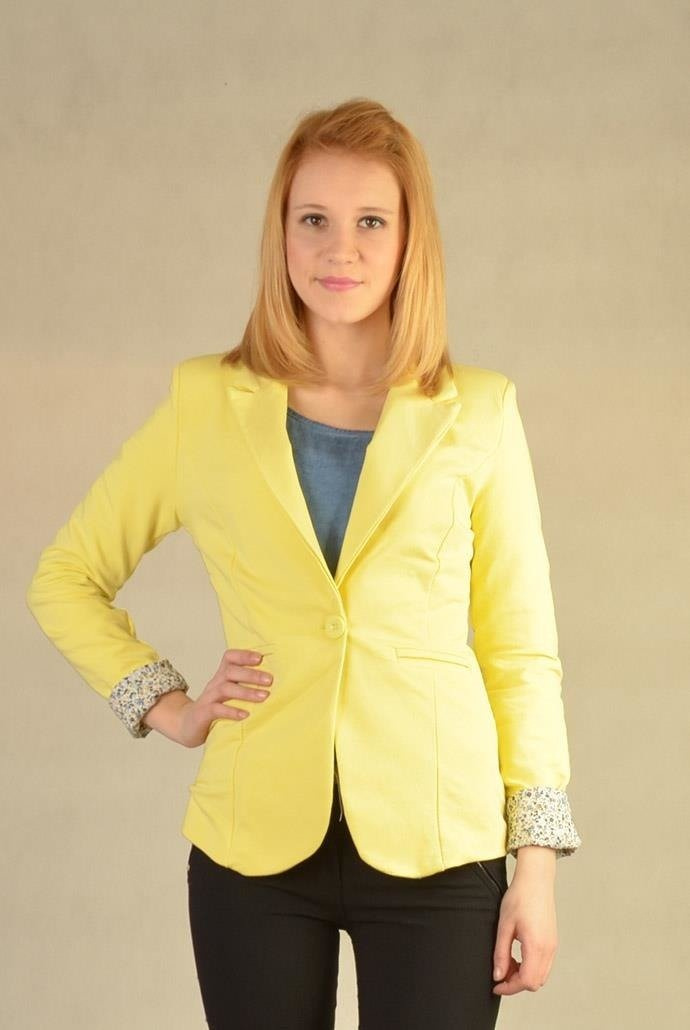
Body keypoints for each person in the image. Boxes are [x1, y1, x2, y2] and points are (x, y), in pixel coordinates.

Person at [26, 97, 582, 1029]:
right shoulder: (206, 403)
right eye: (313, 219)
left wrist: (537, 866)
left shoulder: (480, 412)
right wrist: (166, 705)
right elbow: (66, 577)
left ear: (410, 240)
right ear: (280, 233)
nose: (340, 250)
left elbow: (520, 652)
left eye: (372, 222)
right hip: (253, 849)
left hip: (440, 841)